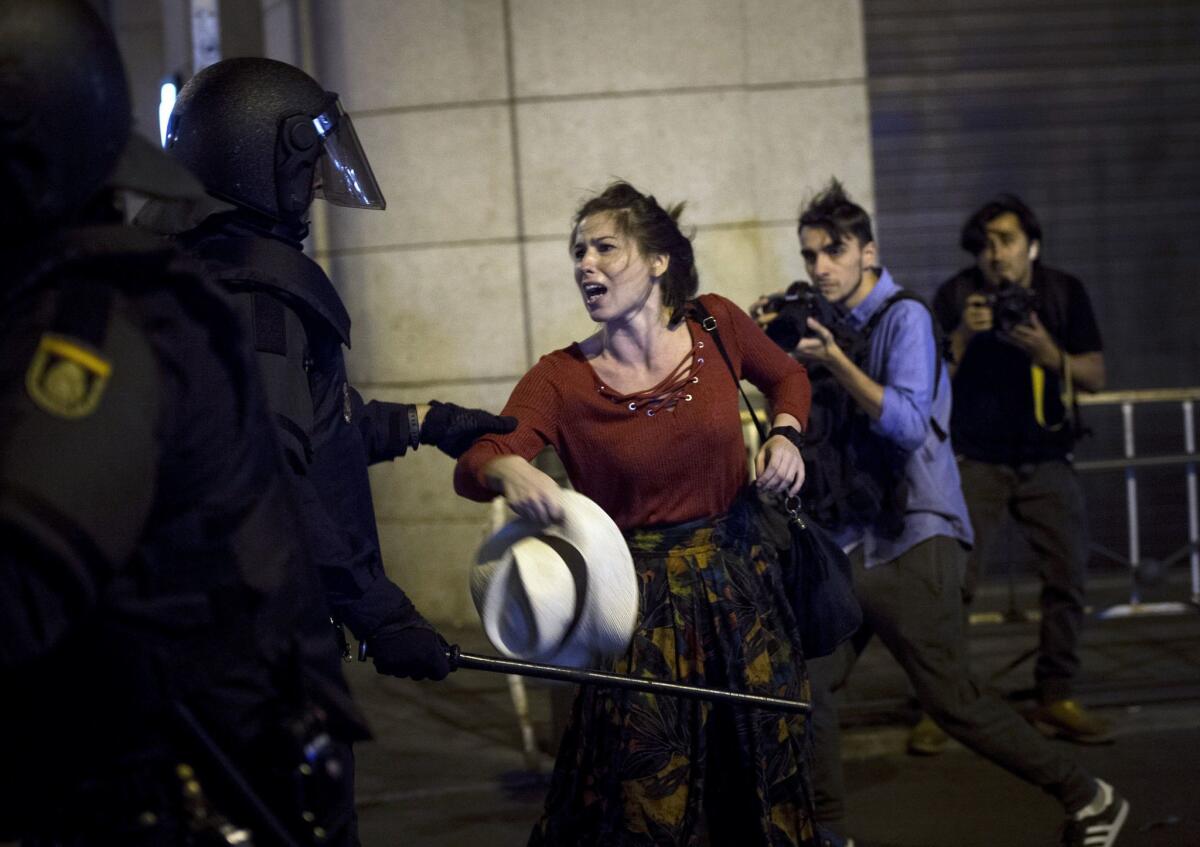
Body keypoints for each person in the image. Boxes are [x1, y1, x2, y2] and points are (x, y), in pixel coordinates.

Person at [0, 1, 369, 843]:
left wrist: (376, 606)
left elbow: (20, 582)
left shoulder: (95, 326)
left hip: (178, 790)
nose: (314, 184)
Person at [760, 179, 1127, 847]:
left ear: (868, 251)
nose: (820, 267)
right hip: (851, 544)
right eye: (810, 254)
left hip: (915, 539)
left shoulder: (905, 318)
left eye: (834, 251)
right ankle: (828, 834)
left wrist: (835, 362)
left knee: (951, 700)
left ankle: (1089, 794)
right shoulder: (828, 324)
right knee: (802, 686)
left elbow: (905, 422)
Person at [455, 181, 819, 845]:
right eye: (578, 252)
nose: (584, 264)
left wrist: (786, 432)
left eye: (604, 248)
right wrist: (506, 466)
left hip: (742, 590)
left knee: (764, 774)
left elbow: (789, 376)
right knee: (648, 798)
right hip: (638, 609)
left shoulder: (717, 323)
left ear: (658, 262)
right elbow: (480, 456)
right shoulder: (559, 378)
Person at [137, 57, 516, 682]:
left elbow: (306, 425)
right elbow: (271, 476)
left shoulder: (202, 270)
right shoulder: (256, 299)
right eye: (305, 162)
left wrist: (425, 423)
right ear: (258, 162)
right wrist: (381, 613)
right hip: (252, 643)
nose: (316, 181)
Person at [930, 193, 1110, 744]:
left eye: (1006, 241)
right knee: (953, 586)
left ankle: (1055, 697)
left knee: (1066, 580)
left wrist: (1047, 352)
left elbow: (1095, 376)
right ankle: (946, 705)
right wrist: (962, 333)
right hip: (977, 461)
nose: (996, 254)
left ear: (1032, 244)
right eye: (986, 244)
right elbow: (928, 383)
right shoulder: (957, 295)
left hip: (1047, 459)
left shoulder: (1062, 292)